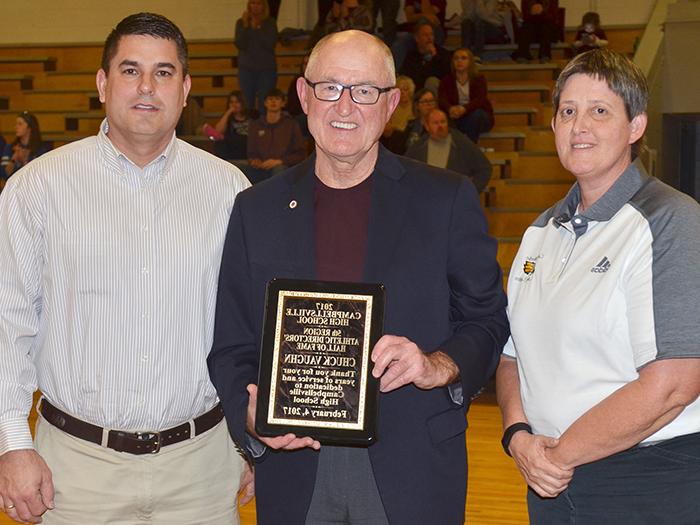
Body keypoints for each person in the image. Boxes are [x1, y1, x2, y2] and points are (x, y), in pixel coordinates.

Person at [208, 29, 509, 525]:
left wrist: (439, 364)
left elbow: (487, 321)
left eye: (365, 90)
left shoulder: (445, 198)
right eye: (329, 87)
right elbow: (233, 344)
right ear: (304, 96)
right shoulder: (255, 210)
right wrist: (249, 415)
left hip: (411, 466)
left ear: (392, 104)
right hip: (294, 466)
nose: (344, 106)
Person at [0, 12, 252, 525]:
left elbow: (250, 329)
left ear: (184, 89)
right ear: (102, 83)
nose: (146, 87)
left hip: (202, 469)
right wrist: (12, 444)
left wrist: (251, 443)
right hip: (74, 471)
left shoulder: (230, 191)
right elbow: (9, 323)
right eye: (130, 69)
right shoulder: (37, 189)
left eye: (163, 73)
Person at [496, 49, 700, 524]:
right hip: (549, 478)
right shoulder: (538, 232)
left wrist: (559, 455)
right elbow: (512, 357)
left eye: (599, 110)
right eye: (567, 111)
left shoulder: (673, 221)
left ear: (636, 127)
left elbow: (675, 384)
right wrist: (518, 436)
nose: (578, 125)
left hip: (649, 481)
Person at [406, 108, 491, 192]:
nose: (440, 126)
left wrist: (470, 191)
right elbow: (404, 171)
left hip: (455, 199)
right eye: (435, 123)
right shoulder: (418, 147)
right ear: (427, 126)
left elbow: (484, 168)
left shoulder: (461, 143)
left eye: (443, 122)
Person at [241, 87, 306, 184]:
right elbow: (251, 152)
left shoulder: (291, 124)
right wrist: (254, 161)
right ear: (265, 103)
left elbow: (300, 154)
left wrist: (279, 161)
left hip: (282, 168)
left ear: (283, 103)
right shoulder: (255, 125)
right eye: (270, 99)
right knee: (234, 167)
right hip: (260, 169)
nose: (273, 102)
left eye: (277, 99)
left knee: (278, 170)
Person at [438, 47, 494, 143]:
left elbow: (480, 100)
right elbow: (442, 99)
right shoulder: (446, 80)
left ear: (470, 62)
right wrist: (450, 108)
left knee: (476, 115)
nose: (459, 61)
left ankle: (470, 146)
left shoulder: (479, 79)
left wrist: (464, 109)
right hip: (456, 116)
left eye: (463, 58)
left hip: (477, 116)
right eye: (456, 58)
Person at [235, 0, 278, 115]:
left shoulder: (270, 23)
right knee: (247, 102)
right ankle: (248, 129)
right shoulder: (241, 22)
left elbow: (270, 44)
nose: (255, 7)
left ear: (264, 6)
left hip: (266, 69)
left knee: (265, 102)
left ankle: (265, 128)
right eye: (253, 3)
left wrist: (258, 27)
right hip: (246, 69)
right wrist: (245, 26)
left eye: (258, 4)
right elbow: (239, 43)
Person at [400, 22, 451, 94]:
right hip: (417, 92)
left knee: (431, 81)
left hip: (438, 93)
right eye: (425, 35)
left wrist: (435, 56)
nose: (429, 38)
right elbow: (411, 76)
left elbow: (446, 75)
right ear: (417, 38)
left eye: (431, 34)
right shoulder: (411, 56)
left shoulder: (442, 54)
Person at [1, 111, 51, 180]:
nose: (16, 127)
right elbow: (4, 175)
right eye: (16, 124)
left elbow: (40, 176)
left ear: (30, 128)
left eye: (20, 124)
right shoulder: (9, 148)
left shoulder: (41, 150)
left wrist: (24, 161)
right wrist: (13, 159)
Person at [380, 75, 415, 153]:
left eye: (405, 89)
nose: (403, 93)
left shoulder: (416, 107)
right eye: (399, 90)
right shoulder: (389, 107)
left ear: (411, 91)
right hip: (394, 144)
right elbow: (386, 132)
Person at [212, 90, 250, 161]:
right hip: (232, 150)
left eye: (237, 102)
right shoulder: (228, 118)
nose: (234, 105)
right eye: (231, 102)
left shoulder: (250, 117)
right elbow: (218, 131)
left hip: (247, 147)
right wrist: (228, 113)